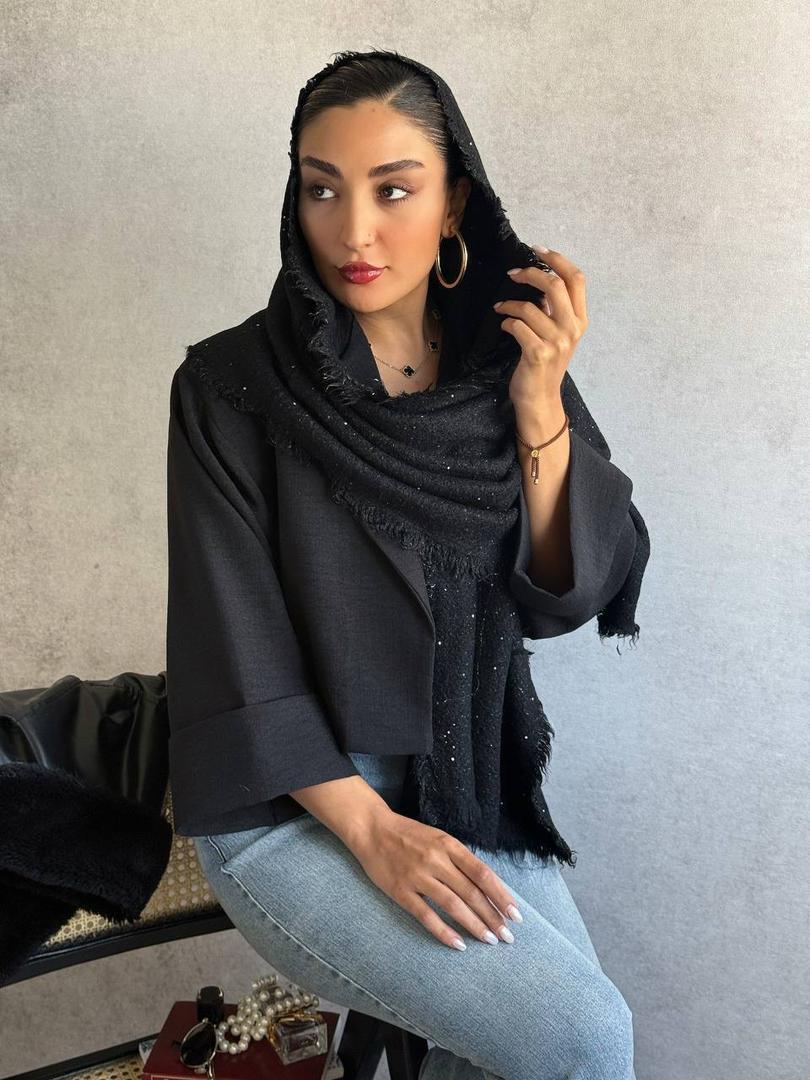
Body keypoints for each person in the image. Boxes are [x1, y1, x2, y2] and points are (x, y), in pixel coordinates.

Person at [166, 49, 649, 1080]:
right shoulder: (229, 387)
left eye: (393, 190)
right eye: (322, 189)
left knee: (540, 1050)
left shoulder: (505, 365)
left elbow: (570, 592)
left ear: (453, 201)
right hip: (293, 806)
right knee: (585, 1041)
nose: (354, 231)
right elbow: (238, 658)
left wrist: (539, 409)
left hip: (463, 782)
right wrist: (376, 832)